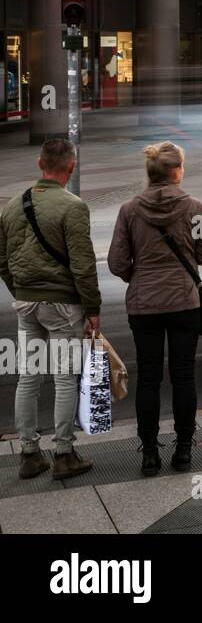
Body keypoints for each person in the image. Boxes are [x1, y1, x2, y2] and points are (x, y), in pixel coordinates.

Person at [108, 142, 202, 476]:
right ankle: (183, 450)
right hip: (184, 303)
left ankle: (150, 453)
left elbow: (116, 262)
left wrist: (137, 277)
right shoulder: (194, 208)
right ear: (176, 172)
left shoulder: (129, 211)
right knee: (183, 376)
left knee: (149, 378)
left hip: (144, 305)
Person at [2, 139, 102, 481]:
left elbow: (2, 260)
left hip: (26, 303)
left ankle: (29, 454)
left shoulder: (13, 205)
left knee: (28, 377)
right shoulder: (73, 207)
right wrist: (92, 308)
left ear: (38, 163)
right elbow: (83, 265)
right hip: (62, 305)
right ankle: (63, 453)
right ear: (70, 167)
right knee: (64, 379)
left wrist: (19, 290)